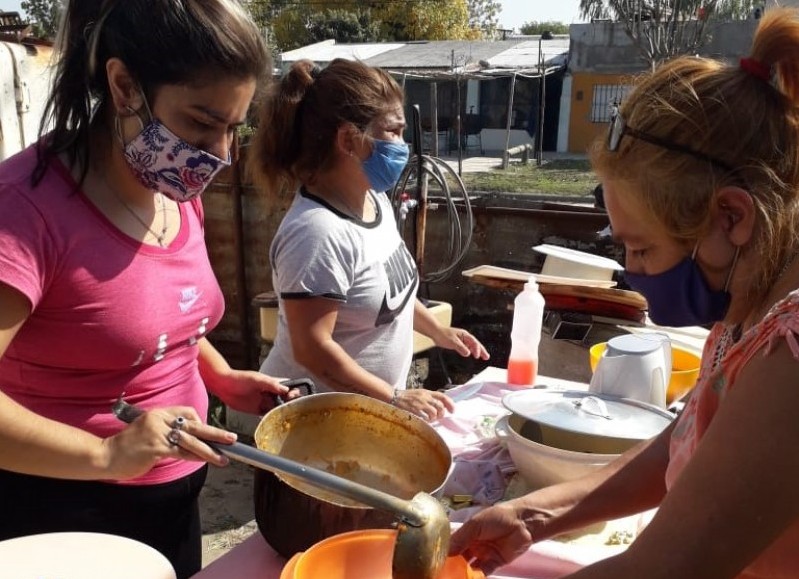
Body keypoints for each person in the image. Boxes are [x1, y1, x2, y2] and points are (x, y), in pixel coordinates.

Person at [450, 9, 799, 578]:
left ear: (732, 217)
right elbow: (691, 442)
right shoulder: (750, 304)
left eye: (642, 250)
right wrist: (537, 515)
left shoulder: (791, 353)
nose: (634, 273)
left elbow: (663, 568)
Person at [0, 1, 292, 577]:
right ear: (124, 85)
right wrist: (107, 454)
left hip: (174, 499)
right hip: (64, 514)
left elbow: (156, 319)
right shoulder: (24, 211)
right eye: (202, 123)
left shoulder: (174, 193)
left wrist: (220, 378)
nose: (221, 154)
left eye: (233, 128)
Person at [249, 59, 489, 421]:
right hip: (312, 425)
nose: (403, 145)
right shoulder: (317, 234)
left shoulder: (373, 201)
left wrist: (437, 330)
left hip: (361, 413)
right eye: (393, 131)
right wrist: (394, 397)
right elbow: (313, 350)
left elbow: (391, 298)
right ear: (348, 139)